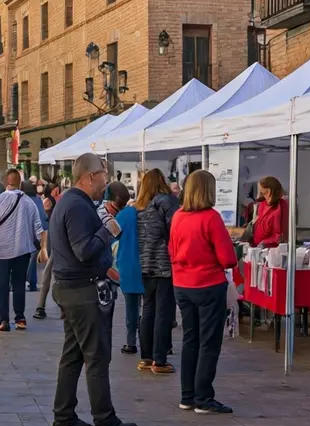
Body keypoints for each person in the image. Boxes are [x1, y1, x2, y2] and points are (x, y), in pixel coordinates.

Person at [48, 153, 138, 426]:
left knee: (73, 354)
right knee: (96, 357)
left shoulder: (71, 202)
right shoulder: (77, 205)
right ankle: (105, 420)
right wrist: (107, 230)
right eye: (103, 175)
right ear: (89, 176)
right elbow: (83, 250)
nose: (106, 181)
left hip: (70, 287)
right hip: (81, 290)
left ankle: (64, 415)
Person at [170, 170, 239, 413]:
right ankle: (203, 398)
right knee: (209, 342)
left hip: (182, 284)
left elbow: (171, 249)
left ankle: (187, 395)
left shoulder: (178, 216)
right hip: (208, 283)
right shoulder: (211, 218)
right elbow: (228, 258)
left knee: (191, 339)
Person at [0, 169, 44, 332]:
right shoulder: (29, 202)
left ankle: (3, 320)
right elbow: (39, 227)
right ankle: (20, 318)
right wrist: (43, 249)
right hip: (22, 250)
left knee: (2, 286)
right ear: (21, 183)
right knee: (18, 284)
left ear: (5, 182)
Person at [136, 169, 178, 372]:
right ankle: (160, 359)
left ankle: (146, 356)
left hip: (145, 264)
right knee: (164, 312)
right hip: (164, 265)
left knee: (148, 310)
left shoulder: (140, 207)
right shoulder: (165, 202)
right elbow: (175, 231)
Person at [101, 182, 144, 359]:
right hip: (150, 266)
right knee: (152, 308)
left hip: (128, 266)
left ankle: (131, 342)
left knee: (131, 307)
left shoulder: (124, 216)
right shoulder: (146, 213)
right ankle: (158, 343)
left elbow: (113, 235)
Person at [244, 176, 290, 248]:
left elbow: (279, 234)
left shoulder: (281, 206)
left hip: (272, 249)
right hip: (256, 246)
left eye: (261, 187)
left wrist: (265, 242)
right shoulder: (262, 205)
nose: (259, 189)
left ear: (269, 189)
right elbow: (257, 224)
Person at [23, 182, 48, 291]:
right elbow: (43, 218)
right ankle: (32, 283)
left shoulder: (23, 201)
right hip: (38, 233)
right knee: (33, 257)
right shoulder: (38, 201)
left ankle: (26, 281)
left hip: (25, 233)